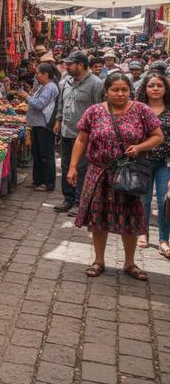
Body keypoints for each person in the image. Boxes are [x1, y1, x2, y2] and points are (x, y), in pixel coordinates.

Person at [69, 72, 163, 280]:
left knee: (130, 218)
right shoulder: (94, 112)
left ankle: (130, 263)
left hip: (129, 174)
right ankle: (98, 261)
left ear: (130, 90)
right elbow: (81, 139)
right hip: (99, 174)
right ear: (106, 91)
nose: (120, 94)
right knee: (98, 218)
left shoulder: (142, 111)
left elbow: (158, 136)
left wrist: (140, 147)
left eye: (124, 90)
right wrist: (73, 166)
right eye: (115, 90)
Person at [54, 51, 105, 214]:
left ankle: (79, 202)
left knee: (81, 168)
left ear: (80, 65)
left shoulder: (96, 84)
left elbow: (100, 108)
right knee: (66, 165)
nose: (66, 67)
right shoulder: (65, 81)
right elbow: (61, 103)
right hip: (66, 130)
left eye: (69, 64)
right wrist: (58, 120)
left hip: (83, 135)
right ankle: (68, 198)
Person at [135, 72, 170, 255]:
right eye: (151, 85)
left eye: (159, 85)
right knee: (144, 199)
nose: (155, 89)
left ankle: (164, 239)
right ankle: (143, 232)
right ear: (145, 89)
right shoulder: (138, 108)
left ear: (165, 89)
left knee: (165, 200)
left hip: (165, 163)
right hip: (143, 161)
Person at [18, 63, 59, 192]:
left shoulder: (50, 87)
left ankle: (48, 183)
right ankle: (38, 180)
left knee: (45, 155)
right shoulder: (43, 86)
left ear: (45, 75)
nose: (36, 76)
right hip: (37, 124)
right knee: (37, 154)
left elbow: (40, 104)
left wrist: (26, 97)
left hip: (44, 125)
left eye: (37, 74)